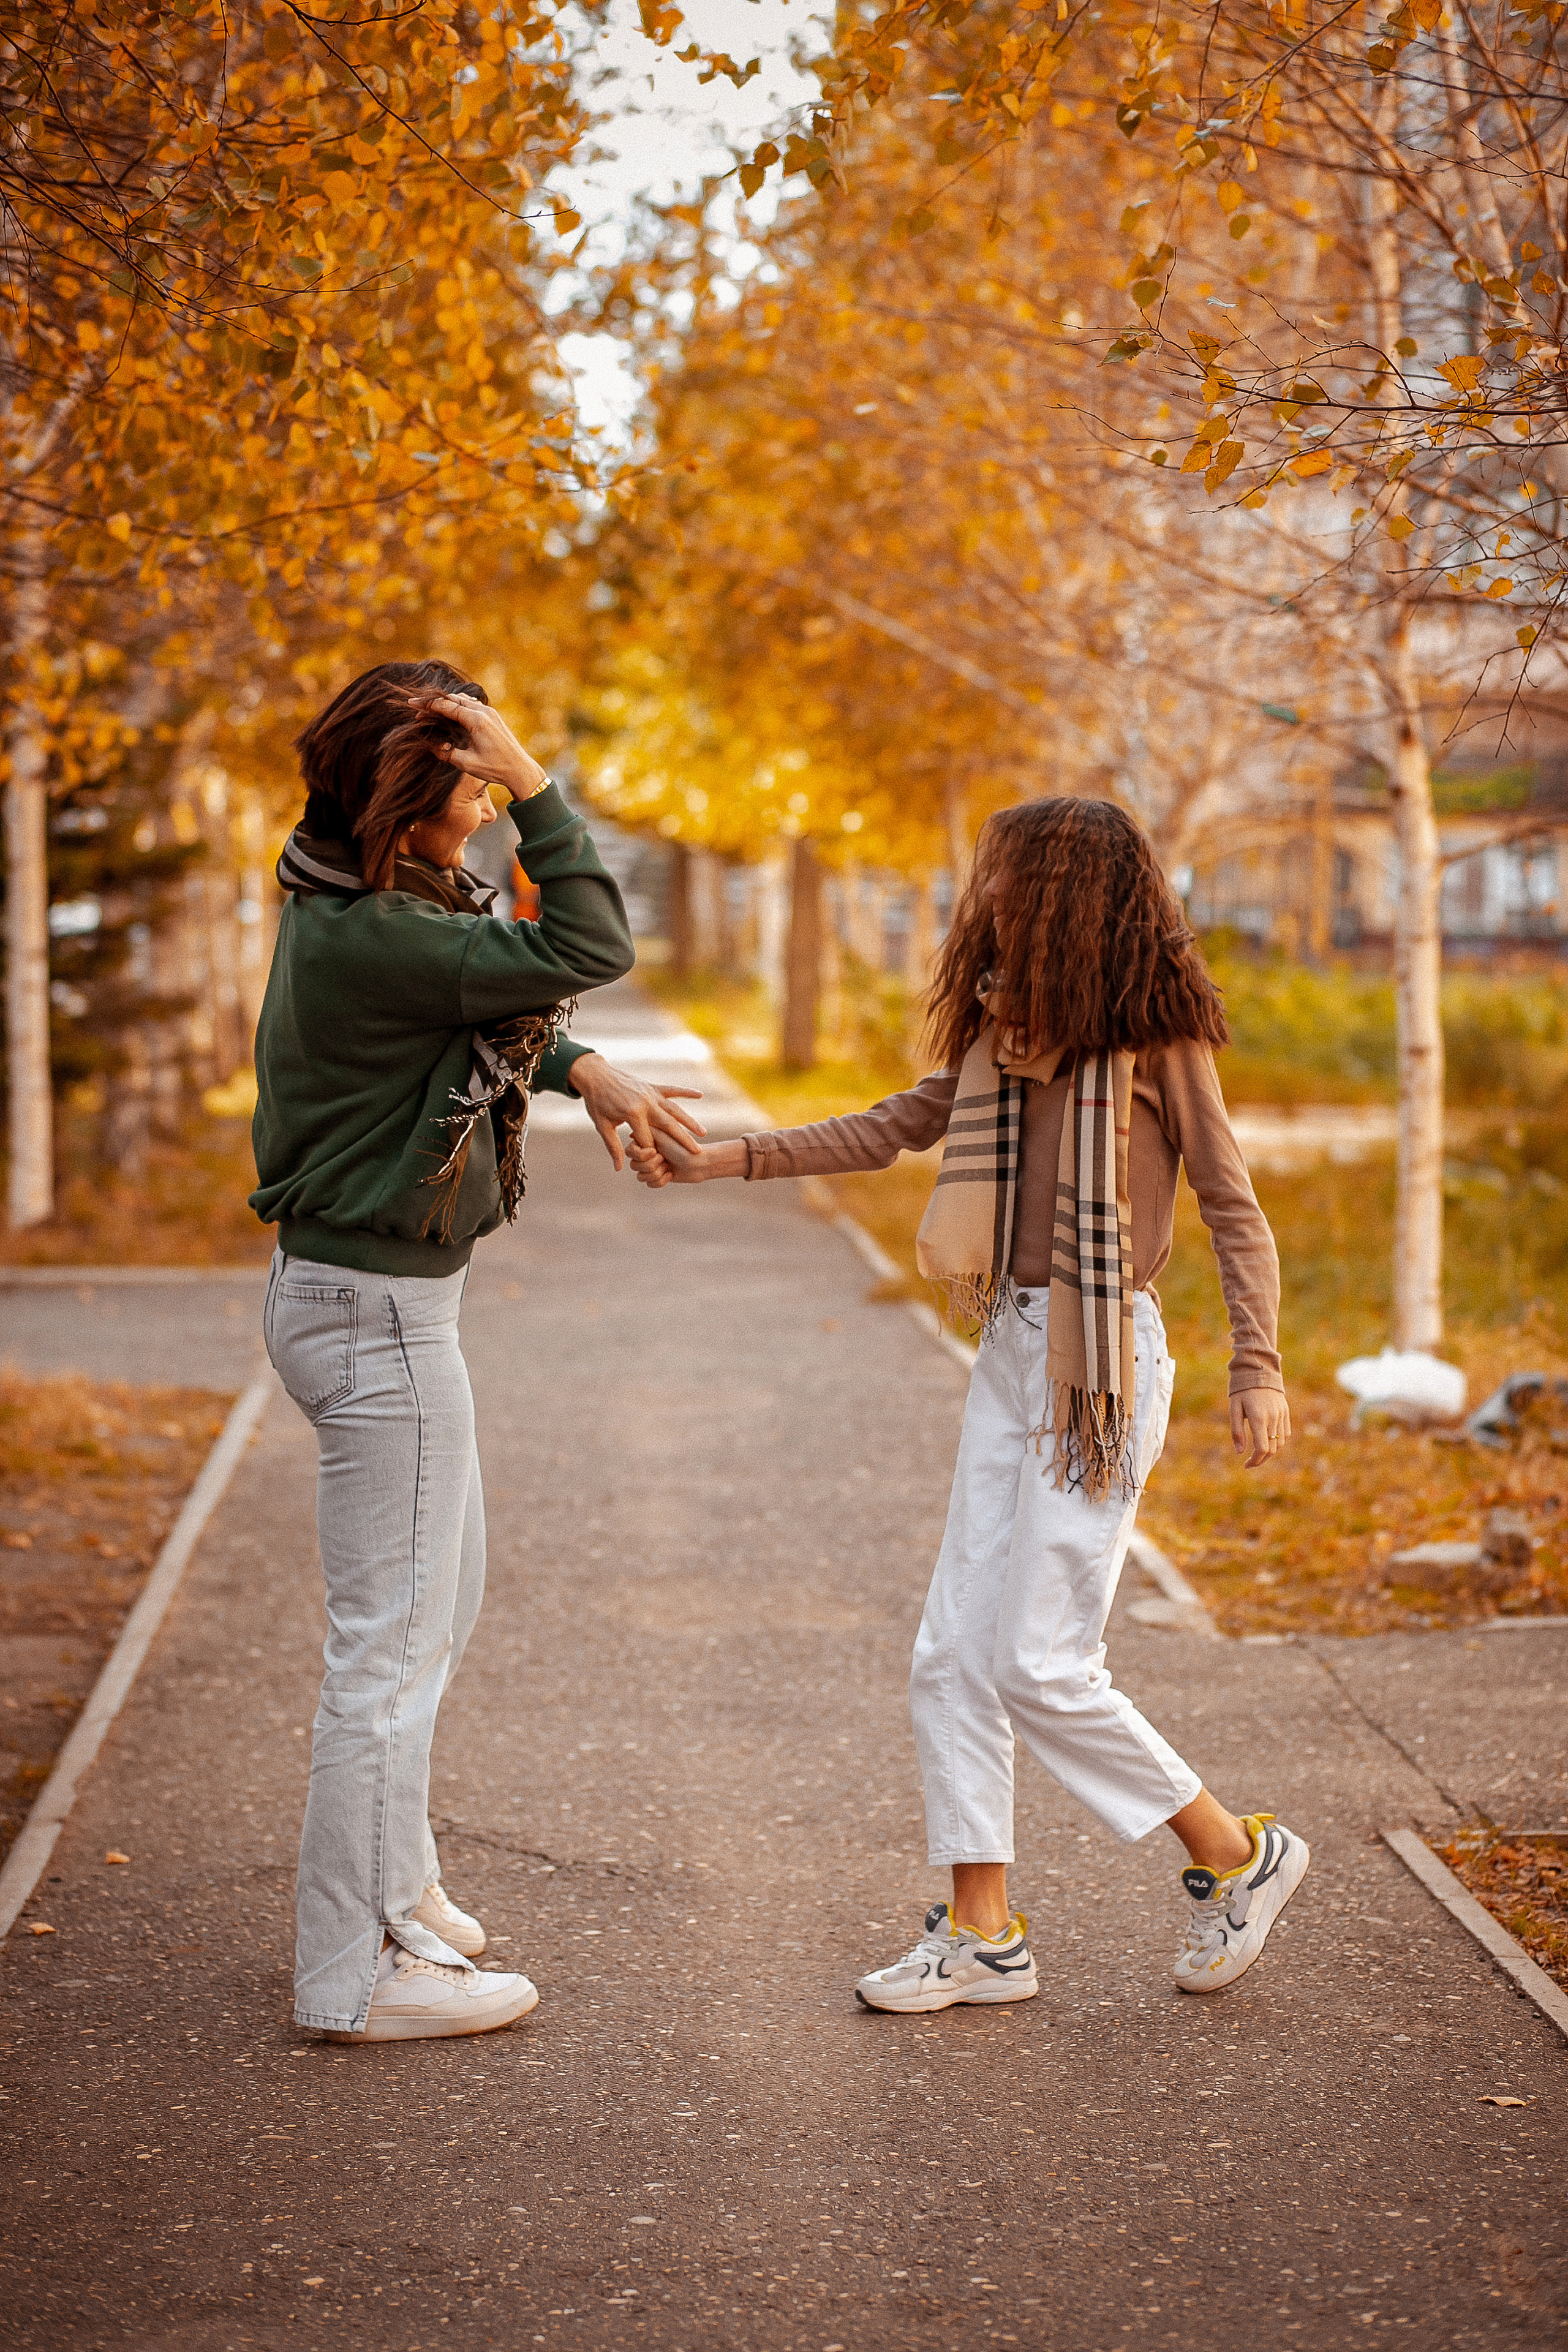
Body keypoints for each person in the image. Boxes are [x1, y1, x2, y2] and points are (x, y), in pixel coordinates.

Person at [631, 796, 1307, 2013]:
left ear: (1064, 895)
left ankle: (1232, 1851)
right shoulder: (1009, 1028)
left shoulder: (1159, 1039)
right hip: (1010, 1349)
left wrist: (1254, 1368)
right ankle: (980, 1931)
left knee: (1041, 1663)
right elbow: (898, 1124)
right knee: (949, 1655)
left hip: (1099, 1368)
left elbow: (1231, 1206)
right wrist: (725, 1157)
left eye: (1005, 879)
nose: (983, 898)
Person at [251, 660, 704, 2043]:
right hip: (376, 1318)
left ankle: (398, 1883)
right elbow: (583, 943)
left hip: (379, 1306)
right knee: (383, 1654)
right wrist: (543, 792)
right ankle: (352, 1972)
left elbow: (498, 1001)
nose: (488, 798)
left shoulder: (373, 903)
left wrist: (590, 1071)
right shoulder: (378, 929)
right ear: (420, 792)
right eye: (473, 779)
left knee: (435, 1614)